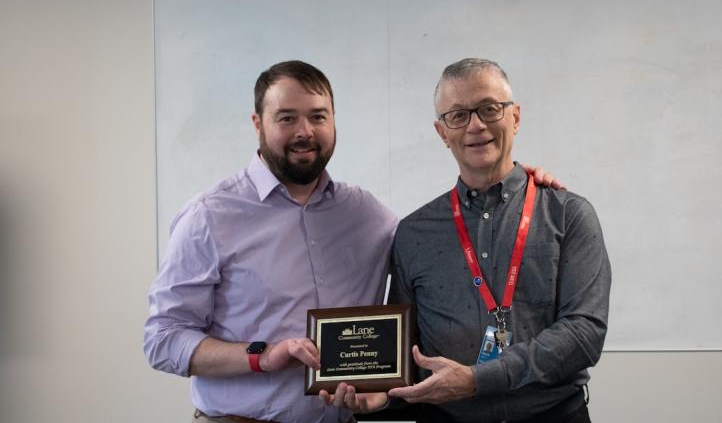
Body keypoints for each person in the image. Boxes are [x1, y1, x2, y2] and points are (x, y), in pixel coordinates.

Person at [144, 60, 562, 423]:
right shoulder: (209, 217)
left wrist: (517, 187)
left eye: (318, 116)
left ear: (333, 121)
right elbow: (163, 339)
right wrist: (261, 355)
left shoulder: (366, 214)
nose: (304, 131)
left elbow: (444, 243)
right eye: (286, 117)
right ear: (258, 123)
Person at [326, 58, 610, 423]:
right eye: (458, 115)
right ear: (442, 132)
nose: (476, 125)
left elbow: (585, 333)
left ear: (516, 117)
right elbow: (405, 351)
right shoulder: (414, 232)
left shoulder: (569, 215)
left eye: (490, 109)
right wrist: (383, 395)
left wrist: (477, 380)